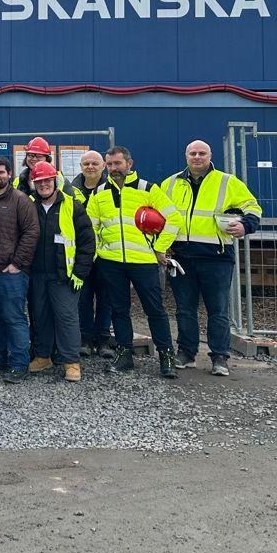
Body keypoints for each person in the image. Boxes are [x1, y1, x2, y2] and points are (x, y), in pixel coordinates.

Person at [161, 140, 262, 377]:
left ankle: (219, 357)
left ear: (210, 155)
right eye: (193, 153)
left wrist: (245, 225)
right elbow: (159, 212)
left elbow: (253, 207)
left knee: (218, 310)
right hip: (181, 256)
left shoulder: (227, 182)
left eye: (202, 153)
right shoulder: (171, 183)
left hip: (216, 257)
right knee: (184, 309)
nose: (197, 157)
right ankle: (186, 353)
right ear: (186, 156)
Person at [85, 146, 183, 379]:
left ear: (129, 164)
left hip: (144, 262)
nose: (113, 169)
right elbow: (91, 227)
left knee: (155, 310)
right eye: (109, 165)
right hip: (111, 263)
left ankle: (166, 356)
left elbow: (174, 219)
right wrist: (99, 251)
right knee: (119, 310)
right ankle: (124, 353)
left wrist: (158, 248)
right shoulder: (99, 192)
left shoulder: (148, 189)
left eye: (117, 164)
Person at [26, 161, 95, 383]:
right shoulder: (28, 205)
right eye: (39, 181)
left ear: (55, 181)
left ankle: (71, 362)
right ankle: (43, 356)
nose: (44, 185)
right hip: (36, 275)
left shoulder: (72, 206)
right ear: (34, 184)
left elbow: (87, 242)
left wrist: (80, 273)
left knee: (66, 318)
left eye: (47, 180)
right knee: (40, 317)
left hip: (63, 276)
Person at [0, 156, 40, 383]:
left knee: (14, 318)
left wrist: (17, 263)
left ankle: (18, 364)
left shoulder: (20, 200)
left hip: (11, 273)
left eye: (1, 172)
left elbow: (32, 232)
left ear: (9, 174)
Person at [71, 150, 112, 356]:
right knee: (83, 297)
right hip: (81, 253)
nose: (90, 167)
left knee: (105, 298)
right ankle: (85, 338)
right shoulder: (71, 190)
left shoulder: (112, 189)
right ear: (80, 167)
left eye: (94, 163)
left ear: (103, 165)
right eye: (86, 163)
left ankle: (103, 339)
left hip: (106, 254)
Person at [13, 137, 82, 201]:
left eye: (39, 156)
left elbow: (72, 205)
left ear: (47, 159)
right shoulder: (17, 181)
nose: (34, 159)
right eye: (30, 155)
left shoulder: (60, 180)